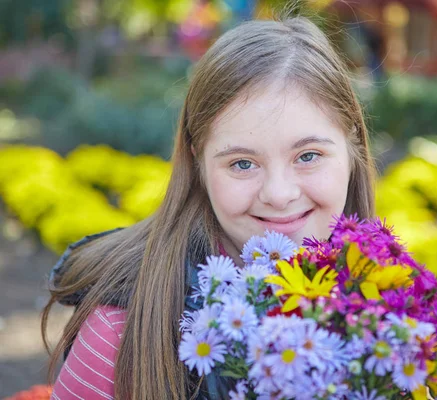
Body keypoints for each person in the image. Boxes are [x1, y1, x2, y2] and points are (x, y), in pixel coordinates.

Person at [42, 12, 376, 400]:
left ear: (352, 149)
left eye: (308, 156)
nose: (279, 194)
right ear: (198, 163)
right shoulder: (120, 335)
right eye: (243, 164)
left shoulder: (393, 309)